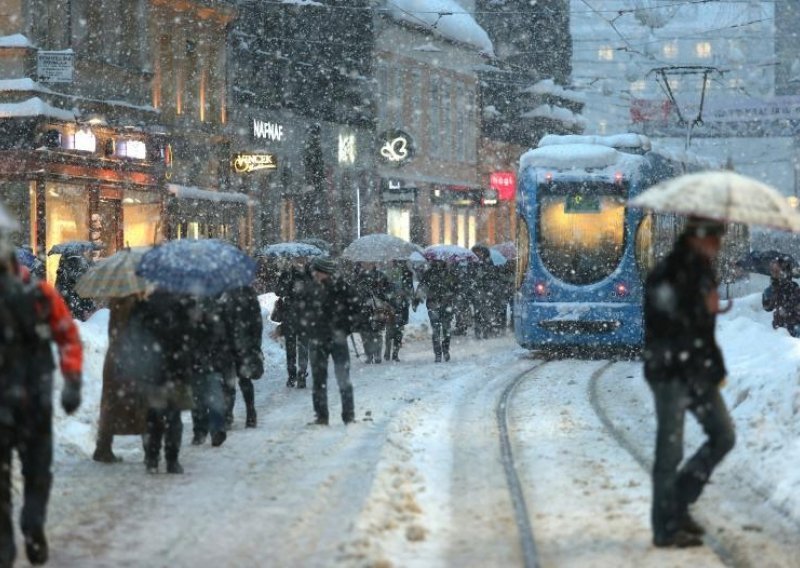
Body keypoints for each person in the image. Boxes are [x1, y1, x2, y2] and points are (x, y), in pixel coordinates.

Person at [642, 216, 736, 549]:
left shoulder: (702, 272)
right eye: (714, 240)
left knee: (723, 435)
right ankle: (665, 526)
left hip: (698, 371)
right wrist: (699, 308)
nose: (718, 246)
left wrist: (707, 313)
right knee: (670, 450)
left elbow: (699, 328)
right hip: (670, 372)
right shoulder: (669, 272)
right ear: (698, 239)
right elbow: (662, 324)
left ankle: (679, 501)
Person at [0, 243, 83, 566]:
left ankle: (5, 543)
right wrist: (72, 380)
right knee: (37, 470)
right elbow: (68, 336)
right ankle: (33, 521)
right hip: (35, 398)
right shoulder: (41, 294)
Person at [129, 290, 194, 474]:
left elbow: (134, 339)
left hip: (150, 372)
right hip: (175, 371)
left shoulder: (143, 306)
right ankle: (172, 460)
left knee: (151, 417)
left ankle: (151, 457)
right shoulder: (181, 305)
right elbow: (188, 338)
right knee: (173, 417)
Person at [299, 257, 360, 425]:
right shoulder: (313, 288)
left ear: (323, 272)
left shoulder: (341, 288)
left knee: (341, 378)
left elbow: (356, 310)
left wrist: (345, 329)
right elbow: (302, 311)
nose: (314, 274)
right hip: (319, 339)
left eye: (316, 271)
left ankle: (347, 415)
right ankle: (323, 416)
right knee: (320, 379)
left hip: (334, 339)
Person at [93, 295, 148, 463]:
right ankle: (150, 450)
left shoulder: (117, 300)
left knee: (111, 403)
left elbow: (114, 330)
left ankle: (103, 446)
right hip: (133, 357)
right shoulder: (138, 303)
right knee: (142, 402)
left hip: (115, 356)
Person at [221, 285, 264, 428]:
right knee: (228, 381)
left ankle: (251, 412)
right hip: (226, 344)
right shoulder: (221, 291)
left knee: (244, 380)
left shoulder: (248, 292)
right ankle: (227, 415)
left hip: (245, 345)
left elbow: (257, 322)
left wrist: (255, 345)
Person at [275, 258, 312, 388]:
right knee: (291, 348)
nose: (299, 261)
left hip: (304, 316)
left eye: (301, 258)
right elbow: (278, 291)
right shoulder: (286, 274)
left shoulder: (310, 274)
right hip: (290, 316)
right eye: (296, 258)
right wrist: (286, 283)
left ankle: (301, 374)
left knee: (303, 347)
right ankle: (291, 375)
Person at [414, 259, 458, 362]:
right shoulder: (429, 273)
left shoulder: (449, 273)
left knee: (446, 329)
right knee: (436, 330)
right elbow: (422, 288)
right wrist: (417, 299)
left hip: (446, 305)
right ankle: (438, 353)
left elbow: (456, 288)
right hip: (433, 304)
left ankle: (445, 349)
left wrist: (452, 295)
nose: (438, 262)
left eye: (440, 261)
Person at [353, 263, 391, 364]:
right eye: (365, 262)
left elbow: (388, 290)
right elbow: (353, 292)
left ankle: (377, 354)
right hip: (363, 309)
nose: (367, 264)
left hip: (378, 309)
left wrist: (379, 294)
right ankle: (369, 354)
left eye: (369, 262)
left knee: (377, 333)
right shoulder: (358, 277)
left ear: (373, 263)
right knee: (365, 334)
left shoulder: (381, 275)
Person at [761, 255, 800, 337]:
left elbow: (795, 306)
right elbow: (767, 307)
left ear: (785, 271)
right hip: (779, 329)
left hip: (794, 327)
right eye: (773, 271)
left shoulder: (793, 287)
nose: (774, 274)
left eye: (777, 271)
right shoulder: (772, 289)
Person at [384, 260, 414, 362]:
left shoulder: (407, 274)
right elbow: (385, 289)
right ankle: (388, 352)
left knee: (398, 332)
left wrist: (404, 293)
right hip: (391, 306)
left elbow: (410, 290)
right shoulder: (387, 274)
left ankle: (395, 353)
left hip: (402, 306)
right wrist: (391, 296)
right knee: (389, 330)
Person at [54, 252, 95, 321]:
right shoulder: (81, 260)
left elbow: (60, 283)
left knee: (71, 305)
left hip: (70, 289)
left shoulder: (66, 260)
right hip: (76, 289)